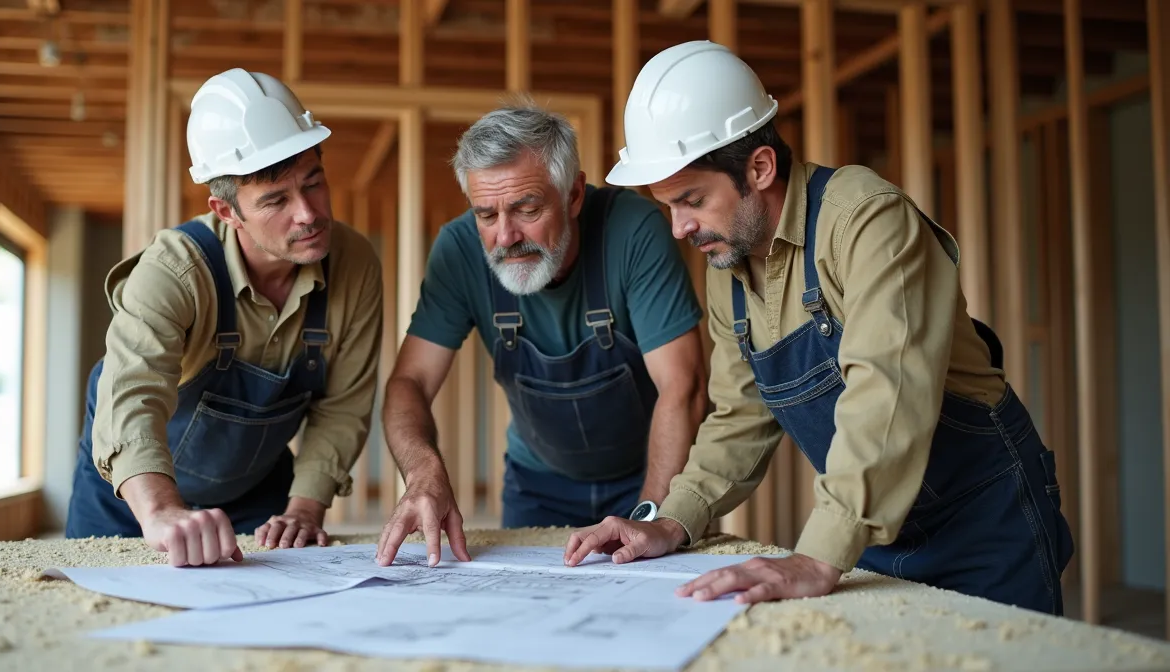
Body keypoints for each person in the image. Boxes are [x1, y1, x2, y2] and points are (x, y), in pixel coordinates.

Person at [562, 41, 1074, 616]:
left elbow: (888, 391)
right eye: (668, 208)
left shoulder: (866, 220)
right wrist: (673, 520)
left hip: (984, 518)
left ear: (760, 168)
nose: (680, 228)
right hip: (872, 531)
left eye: (693, 201)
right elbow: (739, 417)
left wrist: (818, 555)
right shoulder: (729, 266)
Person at [65, 68, 383, 568]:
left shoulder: (354, 264)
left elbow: (342, 407)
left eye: (314, 183)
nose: (308, 213)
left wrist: (305, 508)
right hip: (133, 494)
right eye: (276, 200)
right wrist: (161, 511)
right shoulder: (173, 270)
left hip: (257, 491)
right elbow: (133, 391)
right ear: (227, 211)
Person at [374, 102, 708, 567]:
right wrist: (423, 472)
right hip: (536, 488)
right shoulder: (459, 251)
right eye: (485, 215)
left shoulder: (633, 230)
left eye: (526, 209)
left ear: (574, 195)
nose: (505, 236)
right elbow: (408, 382)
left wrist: (652, 515)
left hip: (651, 476)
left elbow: (683, 386)